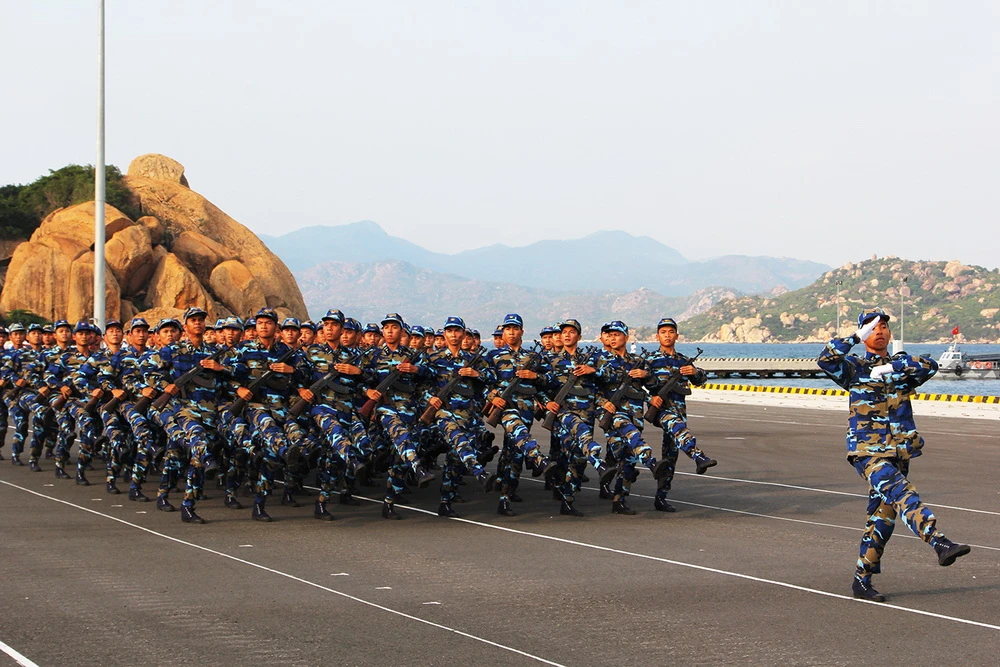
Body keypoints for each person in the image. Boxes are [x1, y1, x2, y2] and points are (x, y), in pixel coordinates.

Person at [818, 307, 971, 602]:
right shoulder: (854, 368)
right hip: (868, 452)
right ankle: (938, 541)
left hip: (900, 452)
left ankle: (861, 581)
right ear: (864, 333)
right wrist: (853, 338)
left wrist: (893, 367)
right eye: (872, 327)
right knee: (902, 493)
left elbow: (929, 366)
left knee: (882, 520)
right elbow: (826, 360)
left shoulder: (901, 367)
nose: (879, 331)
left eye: (884, 327)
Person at [645, 317, 716, 512]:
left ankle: (661, 497)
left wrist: (694, 372)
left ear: (677, 335)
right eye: (663, 332)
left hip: (679, 411)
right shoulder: (649, 360)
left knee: (670, 455)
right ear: (657, 336)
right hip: (661, 411)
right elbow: (635, 383)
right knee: (677, 429)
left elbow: (701, 379)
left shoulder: (683, 360)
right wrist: (649, 398)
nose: (667, 336)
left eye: (671, 332)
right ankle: (698, 456)